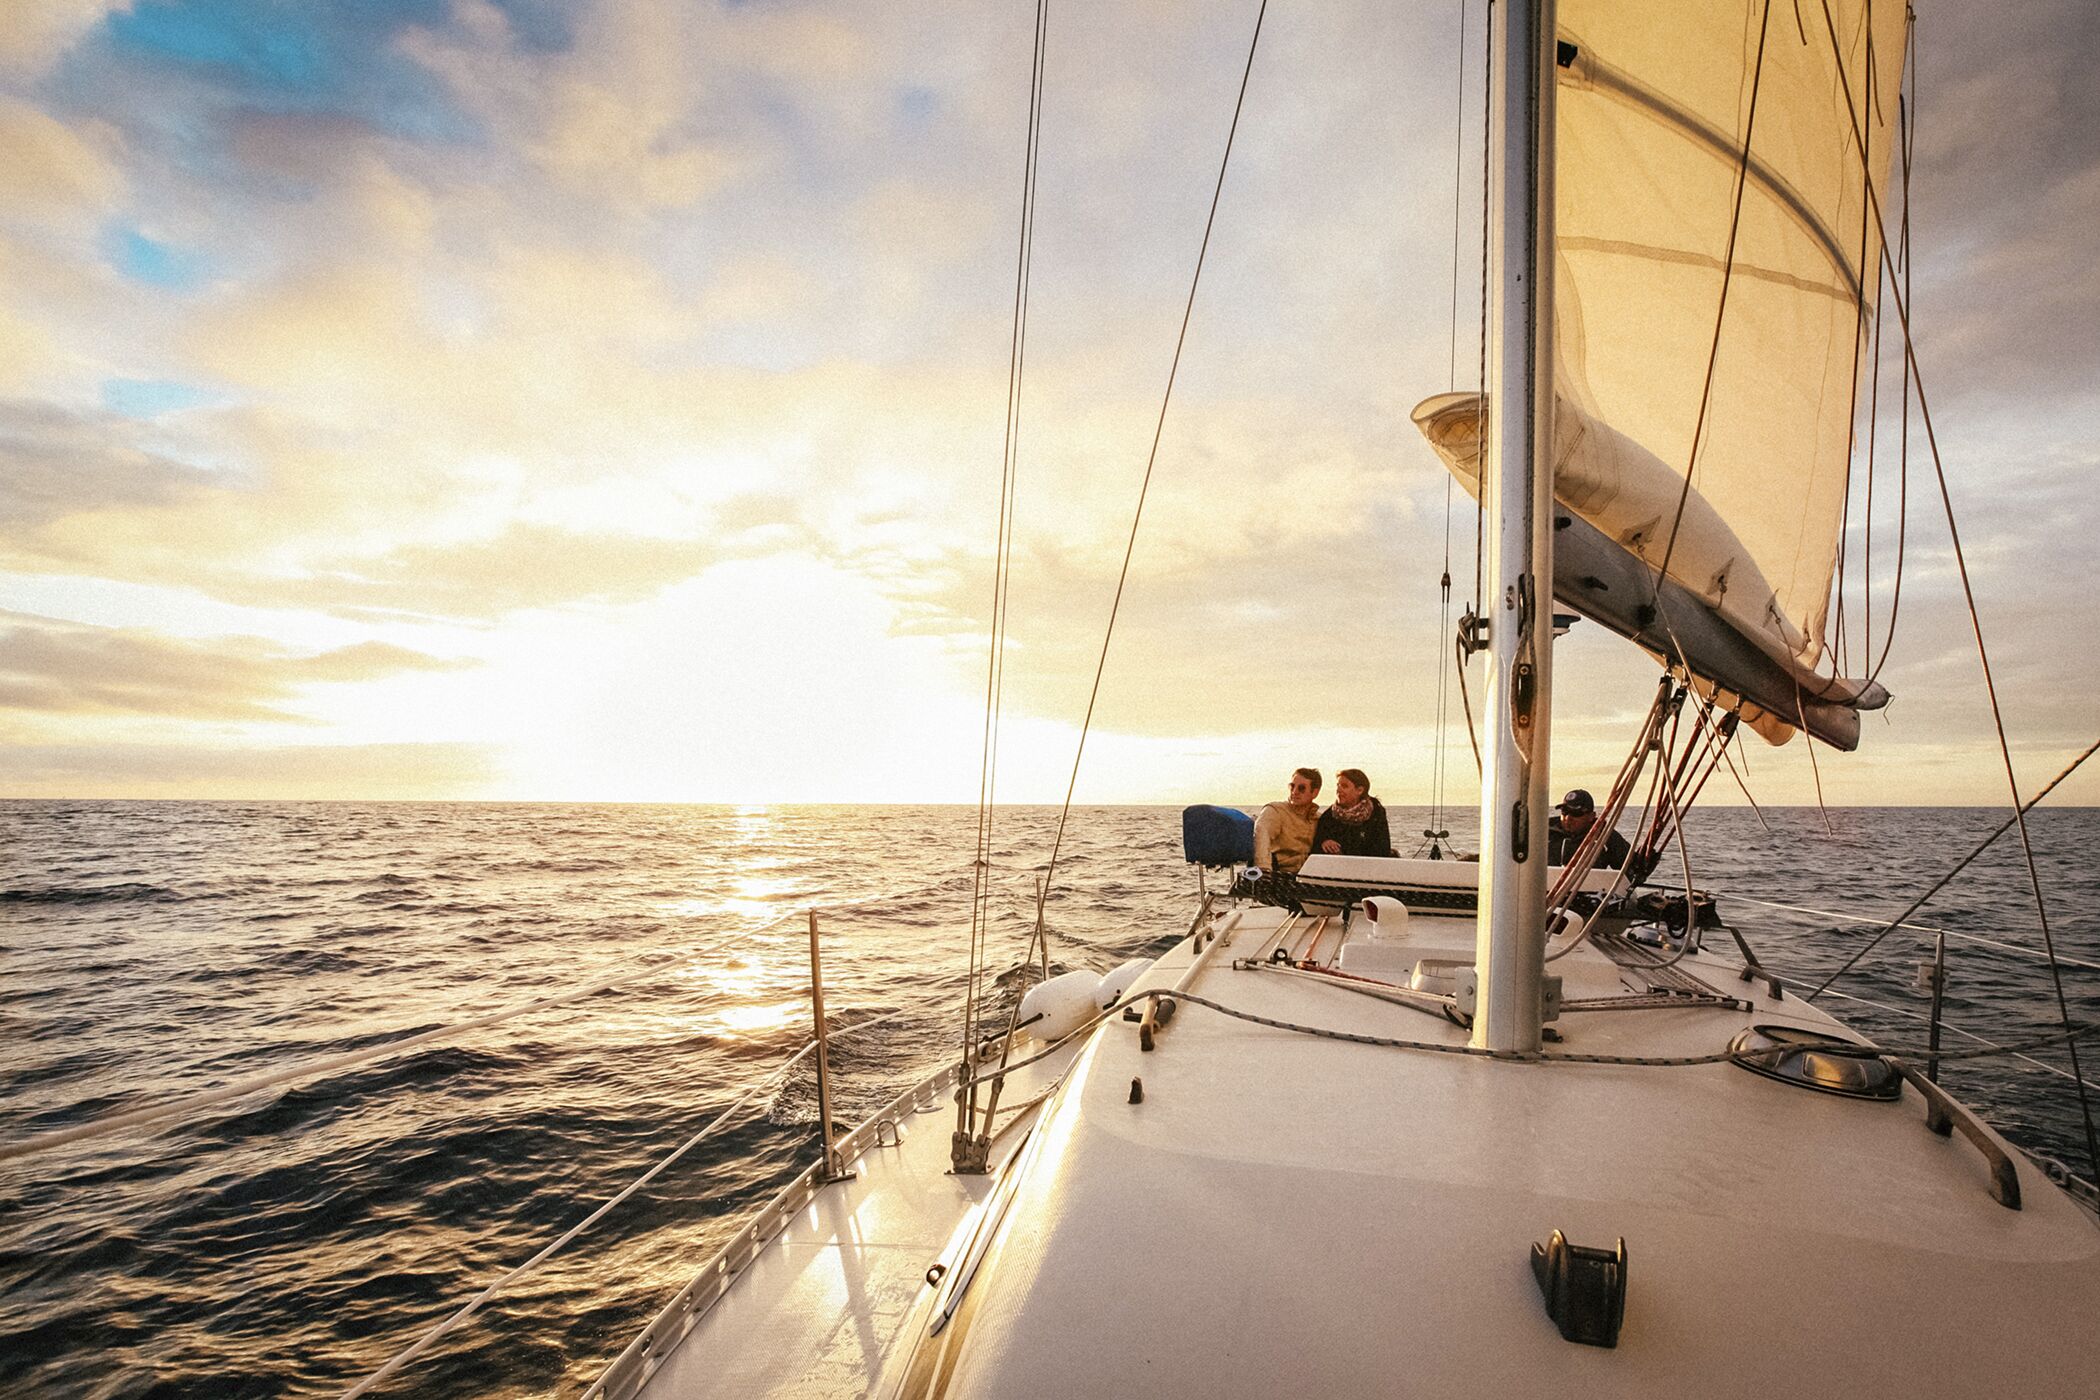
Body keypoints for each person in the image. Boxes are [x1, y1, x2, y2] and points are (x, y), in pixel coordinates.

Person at [1252, 768, 1322, 875]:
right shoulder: (1275, 811)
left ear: (1315, 793)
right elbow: (1261, 833)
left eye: (1301, 788)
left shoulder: (1319, 819)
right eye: (1292, 786)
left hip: (1308, 877)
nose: (1295, 792)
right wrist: (1264, 870)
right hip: (1278, 876)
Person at [1314, 768, 1394, 858]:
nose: (1338, 790)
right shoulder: (1329, 816)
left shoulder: (1376, 813)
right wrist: (1324, 842)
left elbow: (1382, 850)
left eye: (1344, 786)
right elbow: (1315, 850)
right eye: (1338, 786)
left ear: (1359, 790)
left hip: (1370, 867)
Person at [1547, 788, 1630, 869]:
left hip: (1592, 882)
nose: (1568, 818)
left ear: (1591, 816)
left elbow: (1630, 868)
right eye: (1564, 812)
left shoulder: (1605, 836)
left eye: (1576, 813)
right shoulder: (1544, 832)